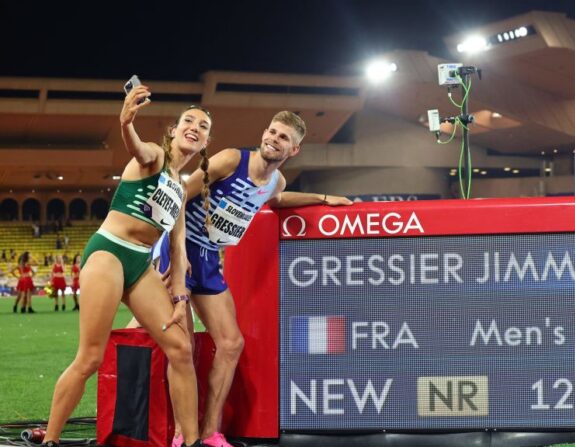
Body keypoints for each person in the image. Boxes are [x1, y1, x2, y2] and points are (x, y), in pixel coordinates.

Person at [165, 111, 351, 447]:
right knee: (183, 348)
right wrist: (175, 256)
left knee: (231, 343)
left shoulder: (276, 182)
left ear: (293, 151)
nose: (273, 139)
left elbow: (277, 200)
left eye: (283, 138)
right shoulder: (231, 160)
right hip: (179, 253)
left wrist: (322, 198)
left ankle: (209, 433)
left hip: (207, 259)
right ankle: (182, 433)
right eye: (272, 132)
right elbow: (177, 196)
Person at [42, 84, 210, 447]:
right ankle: (50, 440)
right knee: (89, 358)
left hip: (139, 264)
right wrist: (126, 121)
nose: (195, 127)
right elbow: (135, 144)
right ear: (174, 131)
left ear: (204, 143)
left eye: (204, 126)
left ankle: (192, 442)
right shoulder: (153, 156)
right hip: (109, 253)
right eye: (189, 121)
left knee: (181, 348)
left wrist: (180, 299)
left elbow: (178, 250)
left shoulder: (180, 189)